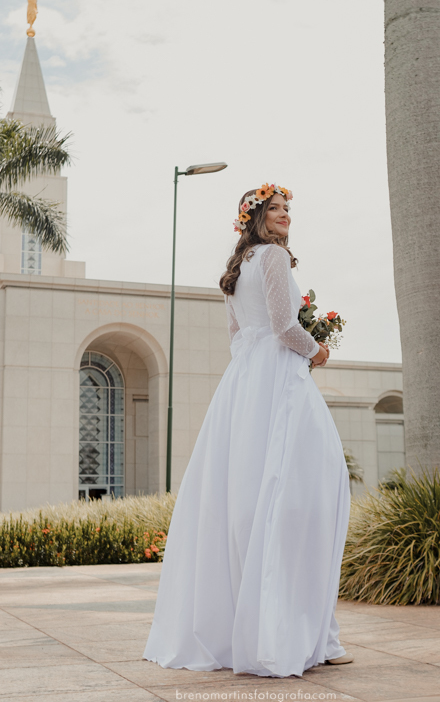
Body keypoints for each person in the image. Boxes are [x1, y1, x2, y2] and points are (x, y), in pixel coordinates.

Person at [142, 184, 353, 677]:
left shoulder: (236, 273)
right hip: (278, 381)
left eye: (287, 210)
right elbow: (284, 327)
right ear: (254, 218)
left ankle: (255, 628)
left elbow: (239, 337)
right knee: (305, 492)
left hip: (242, 386)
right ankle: (290, 630)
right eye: (275, 210)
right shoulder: (276, 260)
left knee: (244, 500)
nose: (285, 217)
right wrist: (317, 351)